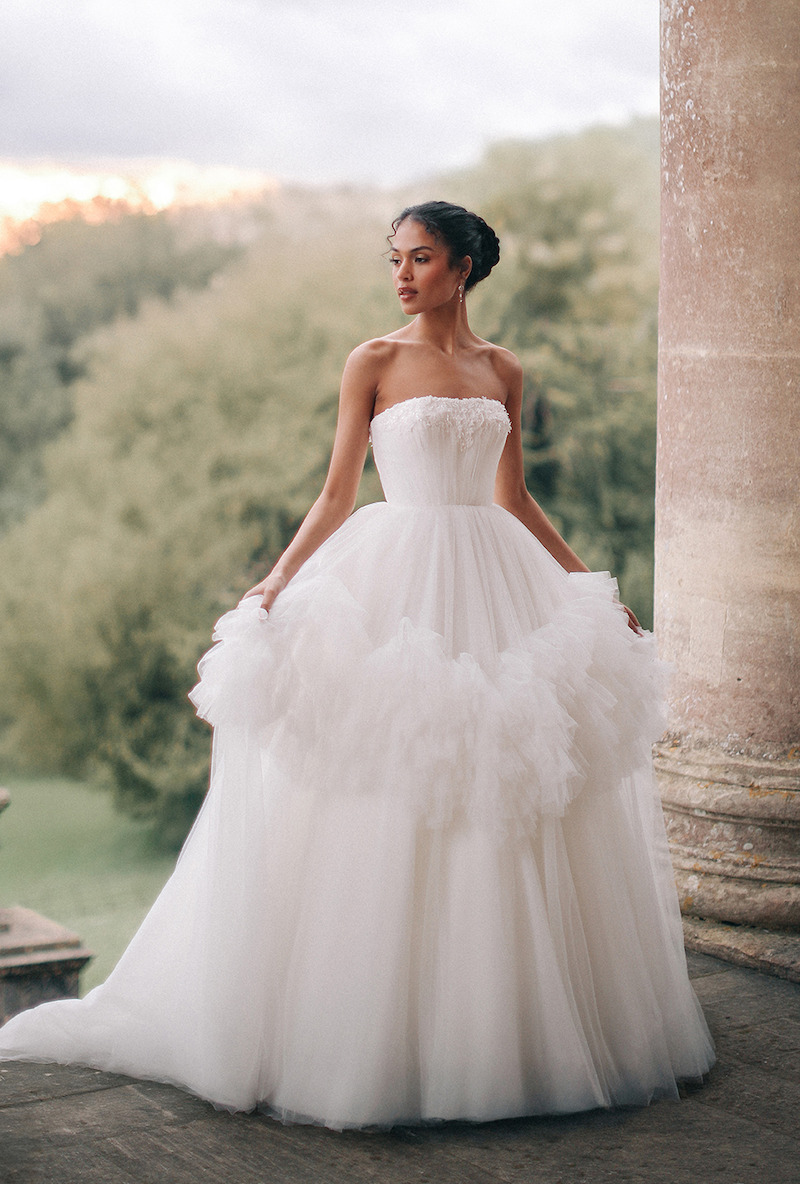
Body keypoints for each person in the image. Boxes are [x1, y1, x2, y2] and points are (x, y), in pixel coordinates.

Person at [0, 201, 714, 1129]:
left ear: (463, 267)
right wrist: (277, 580)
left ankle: (516, 1031)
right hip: (397, 578)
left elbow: (513, 496)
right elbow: (337, 493)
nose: (403, 275)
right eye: (395, 258)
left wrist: (587, 587)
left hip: (494, 576)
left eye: (421, 258)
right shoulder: (371, 361)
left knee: (508, 773)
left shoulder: (503, 369)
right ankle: (373, 1034)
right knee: (396, 773)